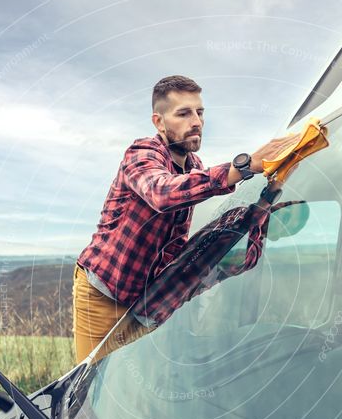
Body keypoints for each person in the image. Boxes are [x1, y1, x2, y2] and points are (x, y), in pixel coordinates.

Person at [73, 74, 289, 362]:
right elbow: (161, 193)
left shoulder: (195, 167)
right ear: (159, 122)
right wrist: (244, 166)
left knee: (130, 379)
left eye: (200, 112)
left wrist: (271, 190)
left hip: (147, 305)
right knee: (89, 383)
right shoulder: (141, 154)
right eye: (184, 113)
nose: (196, 121)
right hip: (102, 295)